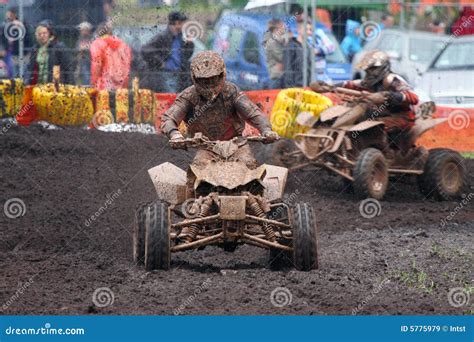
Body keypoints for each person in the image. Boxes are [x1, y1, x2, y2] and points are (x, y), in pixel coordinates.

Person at [160, 51, 279, 241]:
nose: (209, 84)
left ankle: (258, 219)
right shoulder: (189, 96)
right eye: (203, 80)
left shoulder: (231, 92)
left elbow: (253, 113)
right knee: (195, 175)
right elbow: (169, 118)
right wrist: (174, 134)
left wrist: (265, 129)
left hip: (236, 144)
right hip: (206, 146)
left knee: (252, 171)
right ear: (194, 78)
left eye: (213, 79)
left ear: (222, 75)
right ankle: (190, 222)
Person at [312, 50, 419, 157]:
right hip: (380, 112)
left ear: (383, 67)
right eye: (367, 70)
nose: (369, 72)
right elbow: (349, 84)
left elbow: (413, 97)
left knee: (374, 125)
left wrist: (386, 95)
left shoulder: (392, 80)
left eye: (373, 69)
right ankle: (344, 147)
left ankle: (387, 153)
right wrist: (328, 86)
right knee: (351, 112)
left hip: (400, 116)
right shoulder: (367, 82)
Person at [141, 11, 194, 93]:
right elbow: (145, 50)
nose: (182, 26)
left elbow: (186, 56)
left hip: (179, 74)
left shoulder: (181, 38)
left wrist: (189, 44)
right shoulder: (163, 36)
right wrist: (160, 63)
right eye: (181, 23)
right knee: (170, 97)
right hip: (166, 73)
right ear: (175, 23)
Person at [27, 20, 73, 85]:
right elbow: (30, 69)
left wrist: (70, 86)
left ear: (50, 33)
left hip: (54, 87)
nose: (42, 36)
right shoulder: (35, 49)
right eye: (39, 34)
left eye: (44, 33)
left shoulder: (59, 47)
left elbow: (68, 69)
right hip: (37, 86)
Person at [90, 22, 132, 90]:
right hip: (121, 86)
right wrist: (125, 85)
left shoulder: (97, 44)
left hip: (104, 86)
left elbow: (96, 66)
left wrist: (93, 83)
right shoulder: (124, 45)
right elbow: (127, 67)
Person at [3, 6, 32, 77]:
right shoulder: (8, 25)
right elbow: (5, 38)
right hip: (14, 54)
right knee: (15, 74)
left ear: (14, 15)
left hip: (24, 54)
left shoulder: (22, 25)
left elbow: (28, 39)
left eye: (9, 15)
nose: (8, 17)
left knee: (24, 74)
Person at [283, 22, 312, 88]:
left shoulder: (308, 47)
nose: (309, 32)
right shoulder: (290, 46)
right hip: (295, 87)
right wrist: (290, 88)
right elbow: (287, 69)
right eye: (306, 29)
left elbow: (310, 68)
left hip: (306, 86)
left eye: (310, 30)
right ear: (299, 30)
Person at [263, 18, 286, 89]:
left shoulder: (278, 41)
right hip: (276, 76)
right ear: (276, 29)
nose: (285, 27)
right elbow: (282, 57)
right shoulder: (272, 42)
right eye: (282, 26)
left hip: (281, 74)